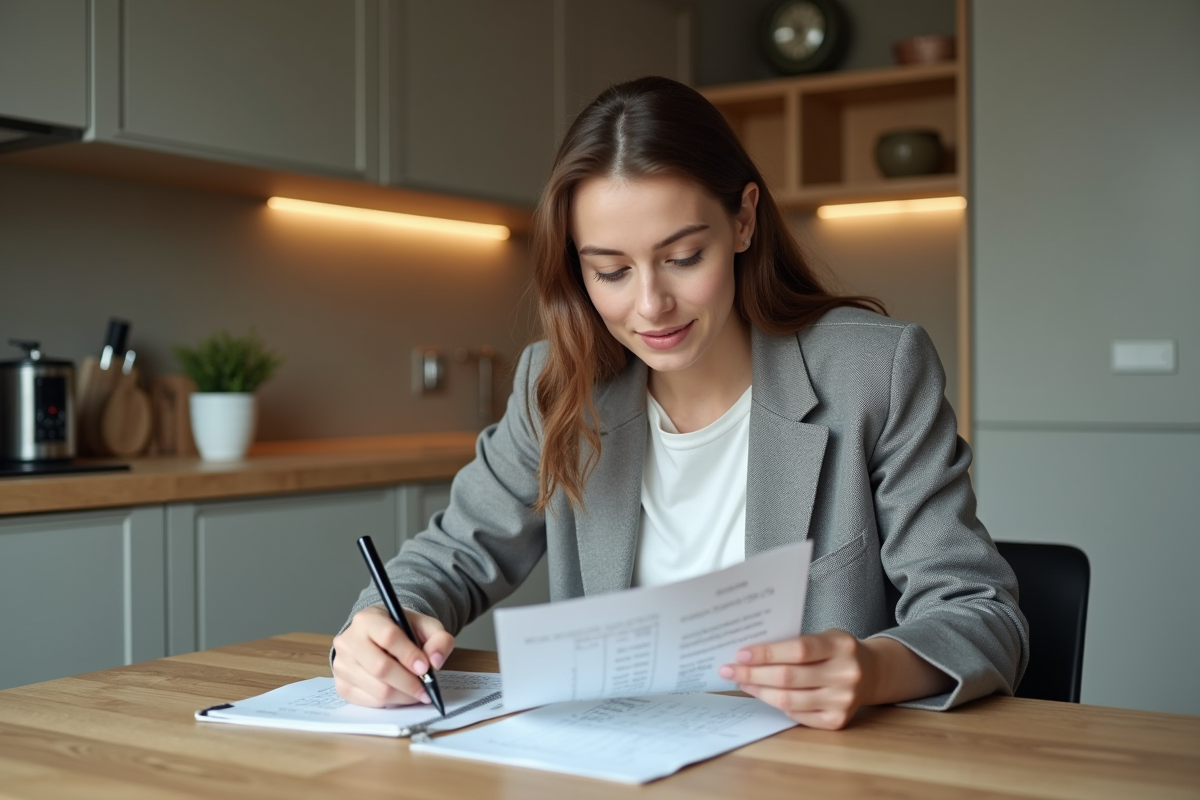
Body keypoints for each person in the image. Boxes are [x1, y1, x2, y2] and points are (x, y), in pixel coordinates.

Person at [331, 76, 1028, 730]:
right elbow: (451, 554)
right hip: (615, 764)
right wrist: (378, 630)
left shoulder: (872, 371)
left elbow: (981, 611)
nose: (649, 305)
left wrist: (875, 668)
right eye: (610, 270)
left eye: (683, 257)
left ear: (744, 222)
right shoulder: (558, 383)